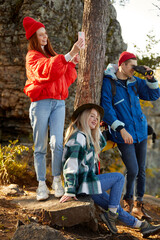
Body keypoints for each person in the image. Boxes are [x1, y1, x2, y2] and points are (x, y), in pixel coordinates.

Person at [59, 103, 160, 238]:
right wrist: (70, 189)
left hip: (88, 186)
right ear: (83, 117)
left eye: (97, 117)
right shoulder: (78, 137)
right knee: (118, 178)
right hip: (82, 184)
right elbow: (70, 164)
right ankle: (111, 216)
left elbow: (101, 143)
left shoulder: (87, 136)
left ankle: (142, 226)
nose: (95, 119)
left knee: (114, 206)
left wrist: (99, 129)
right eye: (92, 116)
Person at [22, 16, 84, 201]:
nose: (45, 37)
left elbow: (63, 78)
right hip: (40, 103)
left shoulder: (51, 56)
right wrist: (67, 55)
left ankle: (57, 180)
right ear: (33, 37)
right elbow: (45, 71)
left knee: (57, 143)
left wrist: (71, 62)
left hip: (58, 103)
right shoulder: (32, 57)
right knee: (40, 145)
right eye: (41, 34)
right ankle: (41, 184)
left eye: (45, 34)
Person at [101, 51, 160, 220]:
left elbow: (154, 95)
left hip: (140, 132)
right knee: (133, 169)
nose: (134, 69)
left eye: (136, 66)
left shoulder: (135, 82)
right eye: (132, 66)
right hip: (123, 134)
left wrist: (150, 78)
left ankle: (138, 206)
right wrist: (120, 129)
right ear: (122, 65)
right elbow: (106, 109)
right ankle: (127, 200)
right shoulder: (109, 83)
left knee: (141, 170)